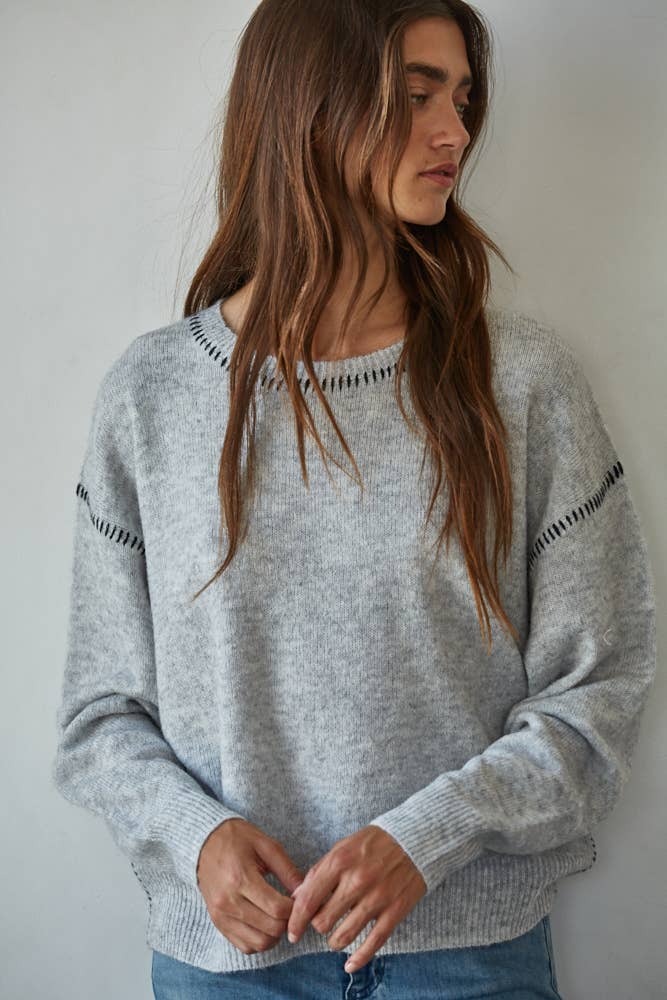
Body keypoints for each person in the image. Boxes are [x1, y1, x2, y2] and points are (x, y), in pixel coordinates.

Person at [51, 1, 657, 998]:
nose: (455, 131)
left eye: (461, 98)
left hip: (465, 958)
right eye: (416, 96)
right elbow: (100, 712)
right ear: (309, 108)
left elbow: (599, 689)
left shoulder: (522, 384)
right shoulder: (152, 398)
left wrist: (429, 837)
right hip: (231, 970)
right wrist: (195, 837)